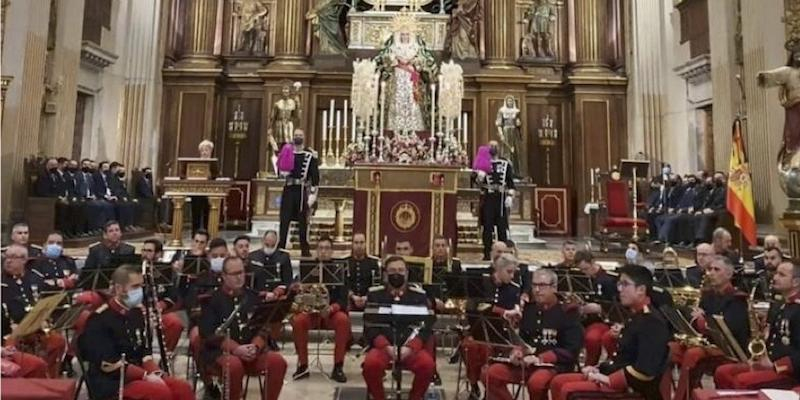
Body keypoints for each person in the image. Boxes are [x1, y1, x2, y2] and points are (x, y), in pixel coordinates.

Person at [549, 264, 671, 400]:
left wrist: (608, 380)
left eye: (625, 284)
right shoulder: (636, 315)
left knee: (568, 390)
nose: (620, 289)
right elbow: (621, 360)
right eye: (619, 284)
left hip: (634, 389)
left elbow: (645, 370)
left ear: (641, 290)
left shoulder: (652, 322)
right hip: (619, 378)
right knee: (558, 382)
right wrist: (598, 369)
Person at [78, 265, 194, 400]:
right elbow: (108, 364)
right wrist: (144, 376)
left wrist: (155, 373)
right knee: (160, 393)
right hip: (112, 382)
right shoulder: (99, 319)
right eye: (135, 286)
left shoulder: (136, 313)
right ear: (119, 289)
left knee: (182, 388)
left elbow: (145, 353)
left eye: (141, 286)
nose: (140, 291)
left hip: (139, 374)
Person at [483, 269, 584, 400]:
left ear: (554, 287)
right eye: (534, 285)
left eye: (542, 285)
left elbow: (572, 350)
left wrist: (541, 358)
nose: (536, 290)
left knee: (536, 383)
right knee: (490, 374)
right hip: (527, 363)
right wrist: (517, 352)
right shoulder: (529, 308)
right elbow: (523, 339)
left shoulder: (567, 311)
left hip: (555, 365)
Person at [199, 256, 287, 400]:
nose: (239, 277)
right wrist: (236, 349)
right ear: (224, 276)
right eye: (234, 274)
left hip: (251, 351)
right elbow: (208, 333)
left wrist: (255, 346)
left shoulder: (253, 297)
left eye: (241, 272)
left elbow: (263, 327)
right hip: (221, 353)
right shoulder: (211, 300)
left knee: (278, 362)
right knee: (234, 366)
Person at [669, 255, 749, 399]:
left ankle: (682, 397)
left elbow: (729, 330)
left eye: (716, 270)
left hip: (729, 350)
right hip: (707, 344)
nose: (710, 273)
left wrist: (702, 320)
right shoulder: (708, 295)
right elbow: (697, 322)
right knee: (670, 348)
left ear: (729, 274)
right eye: (709, 269)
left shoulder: (738, 299)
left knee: (693, 355)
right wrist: (693, 317)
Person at [715, 259, 800, 389]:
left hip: (790, 373)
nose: (775, 277)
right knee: (722, 372)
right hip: (771, 364)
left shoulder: (797, 309)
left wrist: (775, 366)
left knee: (741, 381)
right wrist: (758, 358)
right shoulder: (783, 305)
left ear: (796, 282)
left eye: (781, 275)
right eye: (776, 273)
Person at [362, 255, 435, 400]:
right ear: (385, 274)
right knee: (370, 365)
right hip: (384, 346)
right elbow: (370, 325)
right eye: (392, 271)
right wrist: (386, 347)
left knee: (427, 365)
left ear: (407, 273)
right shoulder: (374, 294)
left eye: (401, 270)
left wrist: (411, 347)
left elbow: (425, 325)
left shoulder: (419, 295)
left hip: (410, 347)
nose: (397, 274)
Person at [1, 244, 67, 378]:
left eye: (13, 257)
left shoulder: (34, 278)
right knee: (13, 349)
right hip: (12, 332)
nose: (8, 261)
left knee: (58, 342)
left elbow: (46, 300)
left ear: (24, 260)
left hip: (35, 327)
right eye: (6, 257)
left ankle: (50, 377)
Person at [290, 236, 351, 382]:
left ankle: (338, 367)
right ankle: (303, 366)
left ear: (332, 251)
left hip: (331, 313)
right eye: (321, 248)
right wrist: (298, 288)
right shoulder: (307, 268)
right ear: (316, 251)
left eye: (327, 248)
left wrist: (331, 309)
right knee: (298, 321)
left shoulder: (339, 269)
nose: (323, 251)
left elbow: (343, 299)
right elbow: (298, 292)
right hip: (312, 313)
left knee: (343, 320)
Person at [462, 253, 522, 399]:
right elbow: (475, 306)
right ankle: (474, 385)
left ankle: (489, 391)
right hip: (478, 329)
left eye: (514, 272)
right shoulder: (481, 283)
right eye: (509, 272)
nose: (512, 276)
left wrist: (516, 313)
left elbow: (514, 311)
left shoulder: (513, 288)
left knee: (487, 349)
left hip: (502, 334)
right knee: (470, 347)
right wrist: (503, 312)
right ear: (498, 270)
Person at [276, 129, 319, 257]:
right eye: (296, 135)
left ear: (304, 137)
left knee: (302, 221)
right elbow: (280, 170)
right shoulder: (287, 152)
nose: (298, 137)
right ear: (293, 137)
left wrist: (313, 194)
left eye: (300, 135)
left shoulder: (309, 156)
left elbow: (315, 177)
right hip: (289, 189)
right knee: (284, 220)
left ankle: (305, 249)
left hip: (301, 191)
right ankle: (281, 248)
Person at [574, 250, 619, 366]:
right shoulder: (579, 278)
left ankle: (591, 366)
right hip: (583, 319)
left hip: (601, 320)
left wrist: (600, 308)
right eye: (581, 270)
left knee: (592, 338)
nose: (584, 273)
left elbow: (617, 307)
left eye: (586, 269)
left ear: (593, 262)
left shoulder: (608, 280)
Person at [141, 239, 185, 354]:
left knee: (175, 324)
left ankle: (166, 355)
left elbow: (173, 295)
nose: (145, 254)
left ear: (159, 254)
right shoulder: (134, 269)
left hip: (159, 310)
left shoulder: (167, 270)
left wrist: (161, 305)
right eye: (143, 250)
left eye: (149, 251)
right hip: (138, 310)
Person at [476, 141, 516, 260]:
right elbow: (476, 183)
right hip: (488, 198)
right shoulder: (483, 163)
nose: (493, 148)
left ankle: (503, 253)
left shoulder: (506, 164)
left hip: (501, 198)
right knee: (487, 227)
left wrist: (510, 196)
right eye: (491, 146)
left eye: (495, 146)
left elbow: (511, 183)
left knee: (502, 228)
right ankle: (487, 253)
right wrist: (479, 177)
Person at [345, 233, 380, 312]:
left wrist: (367, 297)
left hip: (369, 300)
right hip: (349, 300)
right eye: (356, 243)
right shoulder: (346, 262)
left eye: (361, 242)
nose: (359, 246)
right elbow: (343, 284)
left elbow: (377, 284)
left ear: (365, 244)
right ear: (352, 244)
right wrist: (352, 296)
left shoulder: (373, 263)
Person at [693, 172, 728, 244]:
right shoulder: (716, 190)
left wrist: (712, 209)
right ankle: (695, 239)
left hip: (722, 210)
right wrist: (704, 210)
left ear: (724, 178)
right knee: (698, 215)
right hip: (714, 209)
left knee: (706, 216)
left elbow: (724, 204)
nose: (717, 180)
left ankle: (702, 240)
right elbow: (710, 202)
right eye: (715, 178)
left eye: (719, 178)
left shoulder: (728, 189)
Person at [191, 140, 216, 233]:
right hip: (196, 191)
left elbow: (216, 176)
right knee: (196, 214)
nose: (205, 152)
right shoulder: (194, 164)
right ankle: (195, 234)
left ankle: (207, 234)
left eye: (207, 150)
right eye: (203, 150)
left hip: (210, 193)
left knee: (208, 214)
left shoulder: (213, 163)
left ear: (211, 151)